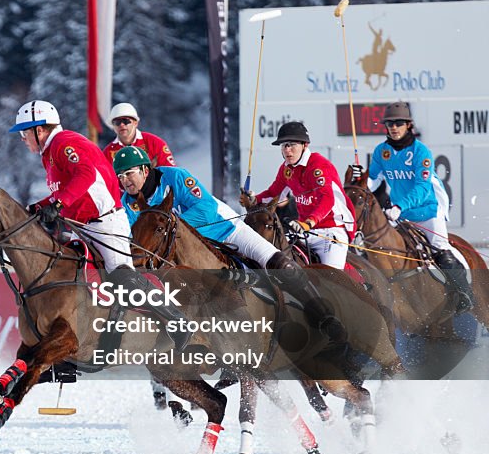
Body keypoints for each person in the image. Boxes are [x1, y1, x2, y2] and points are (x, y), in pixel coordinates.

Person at [114, 146, 346, 343]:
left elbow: (206, 209)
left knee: (280, 263)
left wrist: (174, 228)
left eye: (129, 174)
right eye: (120, 176)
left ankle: (326, 319)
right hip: (189, 254)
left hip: (226, 230)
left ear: (145, 170)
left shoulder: (174, 177)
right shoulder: (128, 204)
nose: (125, 181)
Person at [9, 100, 188, 346]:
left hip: (106, 223)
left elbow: (86, 175)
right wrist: (38, 207)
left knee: (121, 278)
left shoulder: (64, 142)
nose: (22, 138)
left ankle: (177, 321)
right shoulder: (49, 153)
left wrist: (58, 205)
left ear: (39, 130)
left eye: (24, 132)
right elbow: (63, 190)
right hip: (83, 227)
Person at [349, 101, 474, 313]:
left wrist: (399, 205)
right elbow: (372, 181)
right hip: (399, 216)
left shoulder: (420, 152)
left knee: (442, 252)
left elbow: (422, 187)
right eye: (390, 123)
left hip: (426, 213)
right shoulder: (382, 152)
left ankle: (464, 294)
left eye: (399, 123)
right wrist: (359, 179)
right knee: (376, 252)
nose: (394, 127)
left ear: (409, 125)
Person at [240, 122, 354, 270]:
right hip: (304, 230)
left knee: (331, 280)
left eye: (292, 144)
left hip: (332, 230)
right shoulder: (286, 169)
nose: (287, 150)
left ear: (304, 145)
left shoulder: (318, 165)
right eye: (284, 145)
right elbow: (274, 193)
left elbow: (327, 199)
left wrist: (309, 222)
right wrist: (254, 200)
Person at [102, 102, 177, 167]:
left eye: (126, 121)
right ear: (113, 126)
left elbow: (171, 172)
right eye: (117, 122)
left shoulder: (154, 142)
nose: (121, 125)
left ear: (135, 123)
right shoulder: (108, 153)